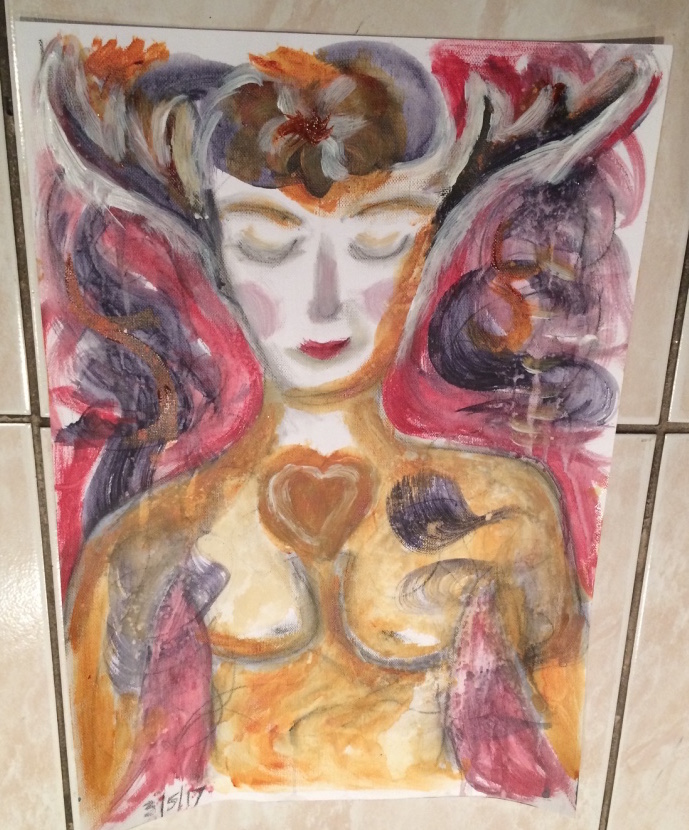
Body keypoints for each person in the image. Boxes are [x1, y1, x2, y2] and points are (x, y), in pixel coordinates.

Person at [36, 33, 659, 827]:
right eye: (267, 242)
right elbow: (102, 795)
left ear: (431, 251)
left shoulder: (510, 512)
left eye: (379, 239)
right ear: (215, 255)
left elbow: (554, 776)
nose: (323, 300)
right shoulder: (144, 545)